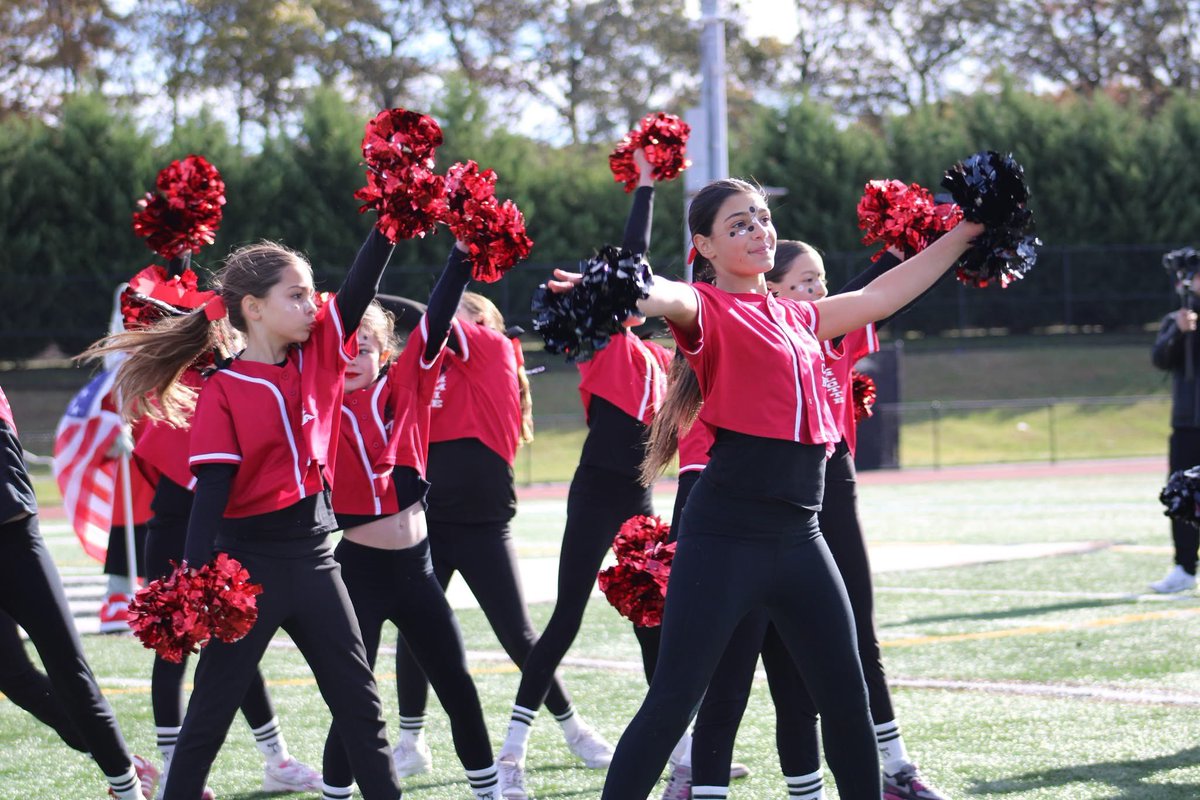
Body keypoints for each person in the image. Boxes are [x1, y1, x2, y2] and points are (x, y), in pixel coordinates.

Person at [548, 177, 984, 800]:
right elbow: (668, 294)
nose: (758, 232)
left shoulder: (801, 315)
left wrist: (966, 233)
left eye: (761, 218)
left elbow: (882, 293)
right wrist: (625, 287)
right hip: (725, 537)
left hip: (800, 536)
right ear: (705, 246)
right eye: (738, 225)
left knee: (847, 701)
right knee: (673, 701)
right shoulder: (706, 307)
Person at [89, 225, 403, 800]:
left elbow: (359, 287)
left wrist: (388, 223)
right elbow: (211, 490)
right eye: (296, 296)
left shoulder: (321, 354)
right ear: (254, 309)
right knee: (209, 717)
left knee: (361, 706)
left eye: (310, 294)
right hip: (248, 569)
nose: (311, 306)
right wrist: (193, 580)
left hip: (316, 561)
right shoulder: (223, 387)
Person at [669, 241, 948, 800]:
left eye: (822, 280)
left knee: (828, 670)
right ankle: (691, 774)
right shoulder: (738, 346)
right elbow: (681, 304)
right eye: (805, 282)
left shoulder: (818, 328)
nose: (819, 290)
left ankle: (890, 766)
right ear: (769, 291)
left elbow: (878, 295)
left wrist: (938, 238)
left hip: (816, 513)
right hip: (743, 520)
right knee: (728, 685)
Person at [496, 152, 672, 796]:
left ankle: (678, 747)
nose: (637, 288)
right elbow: (631, 259)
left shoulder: (658, 355)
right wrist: (646, 186)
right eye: (625, 286)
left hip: (641, 499)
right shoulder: (604, 345)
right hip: (597, 495)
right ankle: (511, 754)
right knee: (566, 617)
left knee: (652, 619)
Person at [319, 246, 511, 800]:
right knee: (354, 702)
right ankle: (334, 792)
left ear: (385, 353)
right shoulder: (318, 404)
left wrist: (461, 257)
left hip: (418, 569)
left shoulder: (408, 384)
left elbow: (437, 317)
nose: (352, 357)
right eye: (343, 348)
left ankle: (488, 792)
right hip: (359, 574)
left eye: (364, 347)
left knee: (458, 688)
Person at [392, 292, 608, 778]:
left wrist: (351, 298)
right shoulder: (430, 366)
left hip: (482, 528)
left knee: (518, 634)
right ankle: (410, 743)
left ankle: (575, 730)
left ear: (486, 325)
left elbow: (427, 316)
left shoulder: (492, 351)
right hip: (427, 524)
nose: (445, 321)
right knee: (414, 631)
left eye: (459, 314)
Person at [134, 364, 323, 797]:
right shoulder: (196, 377)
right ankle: (172, 770)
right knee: (172, 647)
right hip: (176, 529)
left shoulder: (245, 375)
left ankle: (278, 761)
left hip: (227, 531)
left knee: (234, 646)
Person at [0, 382, 159, 799]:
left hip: (12, 541)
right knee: (13, 675)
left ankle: (127, 786)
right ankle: (122, 763)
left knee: (68, 668)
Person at [1150, 272, 1200, 593]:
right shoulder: (1175, 319)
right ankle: (1184, 567)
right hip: (1186, 425)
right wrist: (1179, 332)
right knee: (1182, 495)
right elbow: (1160, 359)